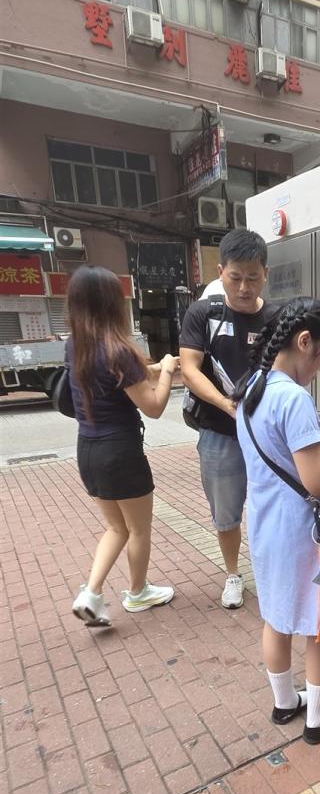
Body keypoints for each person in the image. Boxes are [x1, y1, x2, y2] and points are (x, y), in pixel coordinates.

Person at [234, 298, 320, 744]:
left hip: (265, 527)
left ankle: (284, 703)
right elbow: (315, 481)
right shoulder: (294, 397)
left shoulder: (251, 387)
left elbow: (276, 450)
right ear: (305, 341)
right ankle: (317, 719)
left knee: (276, 618)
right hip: (303, 534)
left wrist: (319, 440)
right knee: (319, 624)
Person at [67, 266, 179, 627]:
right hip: (121, 453)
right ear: (112, 303)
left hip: (87, 450)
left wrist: (153, 368)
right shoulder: (118, 350)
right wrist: (167, 371)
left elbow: (126, 378)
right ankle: (137, 592)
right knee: (139, 529)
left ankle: (91, 594)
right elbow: (154, 407)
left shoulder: (76, 346)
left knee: (116, 528)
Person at [179, 229, 277, 610]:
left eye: (253, 277)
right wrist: (226, 405)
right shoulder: (204, 313)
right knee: (226, 512)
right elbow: (189, 369)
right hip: (220, 433)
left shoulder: (275, 318)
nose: (243, 287)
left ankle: (269, 570)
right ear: (220, 272)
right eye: (235, 277)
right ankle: (233, 574)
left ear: (265, 273)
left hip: (265, 433)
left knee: (272, 506)